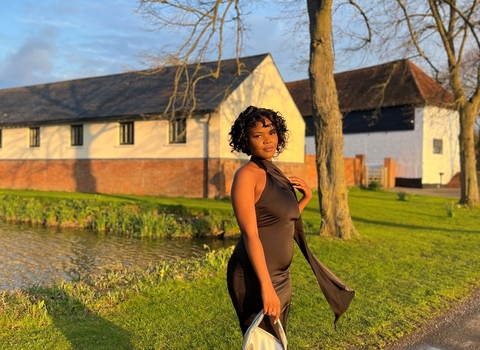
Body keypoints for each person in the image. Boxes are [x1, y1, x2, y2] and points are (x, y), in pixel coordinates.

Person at [226, 105, 355, 342]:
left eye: (271, 132)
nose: (267, 140)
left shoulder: (275, 173)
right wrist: (266, 287)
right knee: (263, 342)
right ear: (246, 141)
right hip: (255, 275)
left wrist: (305, 198)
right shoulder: (246, 176)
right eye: (258, 135)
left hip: (281, 275)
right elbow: (251, 235)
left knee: (277, 341)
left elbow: (284, 220)